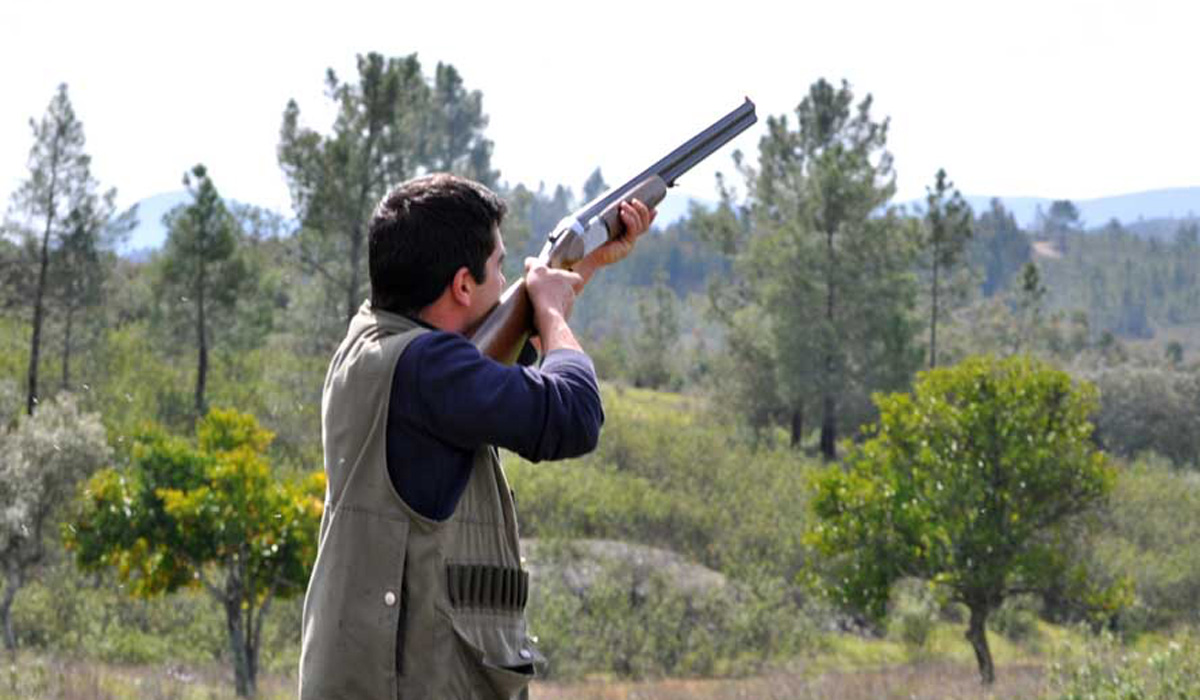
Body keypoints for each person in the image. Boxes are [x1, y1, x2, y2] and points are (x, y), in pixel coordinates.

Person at [298, 173, 654, 700]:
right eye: (500, 268)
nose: (507, 280)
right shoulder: (429, 367)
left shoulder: (373, 340)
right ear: (463, 286)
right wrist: (551, 313)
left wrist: (582, 266)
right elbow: (575, 416)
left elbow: (480, 373)